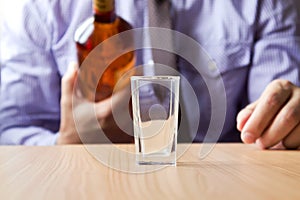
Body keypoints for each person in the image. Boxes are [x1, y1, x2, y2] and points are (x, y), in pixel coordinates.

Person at [1, 0, 300, 149]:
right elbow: (10, 131)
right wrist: (65, 145)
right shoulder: (38, 9)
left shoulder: (266, 4)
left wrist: (287, 118)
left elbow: (277, 116)